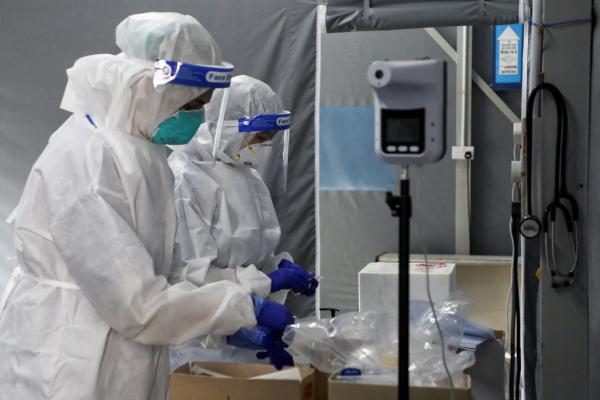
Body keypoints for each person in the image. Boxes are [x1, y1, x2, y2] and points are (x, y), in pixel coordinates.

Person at [0, 12, 291, 399]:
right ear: (152, 88)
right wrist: (242, 307)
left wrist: (249, 294)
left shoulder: (141, 151)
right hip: (70, 354)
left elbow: (166, 270)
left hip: (123, 346)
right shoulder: (88, 158)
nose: (198, 117)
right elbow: (139, 304)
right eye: (193, 103)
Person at [168, 75, 317, 368]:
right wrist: (266, 283)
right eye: (259, 138)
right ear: (228, 128)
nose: (263, 147)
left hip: (240, 327)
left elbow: (250, 254)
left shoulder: (247, 174)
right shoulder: (186, 178)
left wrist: (277, 268)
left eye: (269, 140)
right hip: (198, 345)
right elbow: (189, 274)